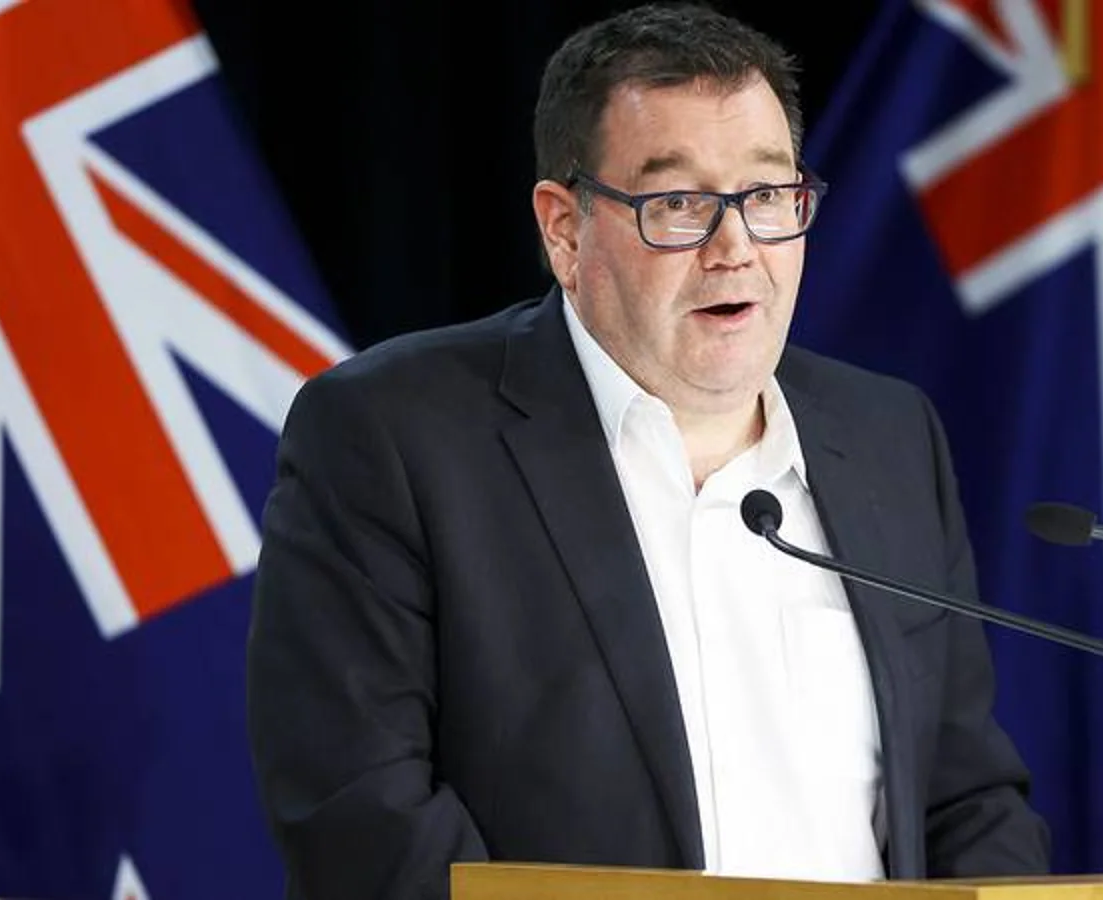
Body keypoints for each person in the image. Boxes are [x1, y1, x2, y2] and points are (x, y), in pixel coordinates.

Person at [245, 3, 1051, 897]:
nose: (736, 248)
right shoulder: (394, 436)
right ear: (564, 229)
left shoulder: (889, 437)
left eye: (767, 196)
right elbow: (360, 816)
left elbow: (965, 797)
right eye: (679, 204)